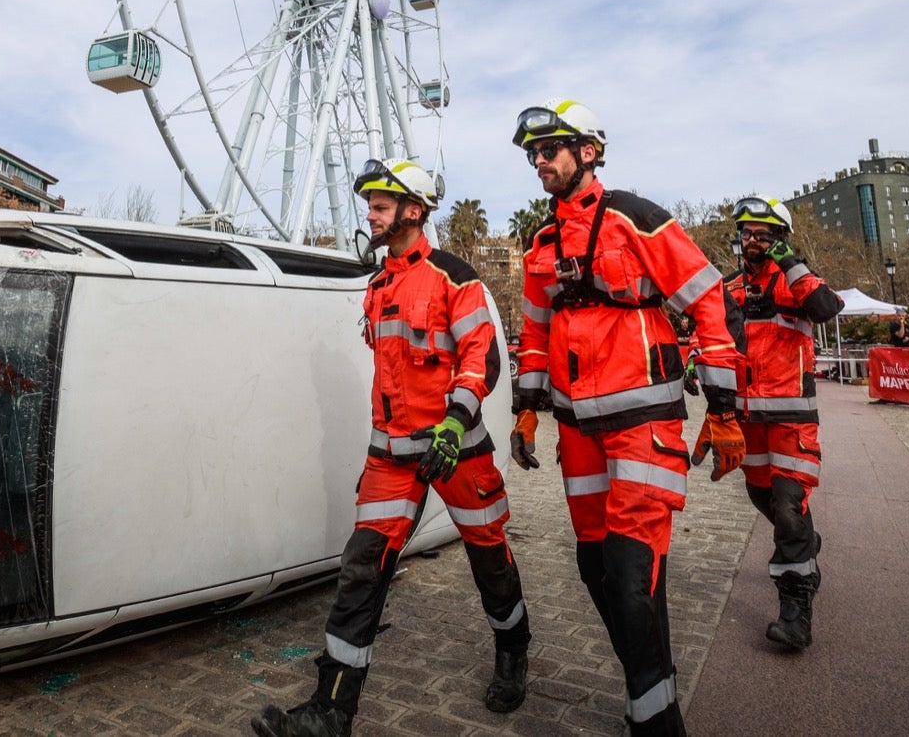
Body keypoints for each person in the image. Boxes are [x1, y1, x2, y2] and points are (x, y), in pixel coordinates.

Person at [252, 159, 529, 737]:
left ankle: (513, 649)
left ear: (413, 211)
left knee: (489, 555)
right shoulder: (377, 287)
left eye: (380, 205)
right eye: (370, 205)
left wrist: (455, 423)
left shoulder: (456, 277)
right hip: (392, 458)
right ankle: (330, 712)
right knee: (361, 568)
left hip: (459, 451)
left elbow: (484, 356)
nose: (370, 214)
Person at [505, 100, 745, 737]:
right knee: (596, 568)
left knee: (633, 574)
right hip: (578, 432)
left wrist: (723, 408)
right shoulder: (541, 244)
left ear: (587, 151)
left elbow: (708, 297)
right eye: (532, 154)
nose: (539, 162)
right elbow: (534, 332)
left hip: (644, 421)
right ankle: (655, 688)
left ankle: (657, 722)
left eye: (550, 149)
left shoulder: (634, 218)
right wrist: (527, 411)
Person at [722, 198, 844, 650]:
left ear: (779, 237)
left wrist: (789, 262)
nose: (752, 240)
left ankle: (796, 613)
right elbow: (712, 334)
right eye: (746, 233)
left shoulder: (798, 281)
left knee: (789, 510)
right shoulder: (730, 287)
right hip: (747, 417)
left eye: (763, 233)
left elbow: (826, 307)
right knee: (760, 495)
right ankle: (807, 544)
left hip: (792, 416)